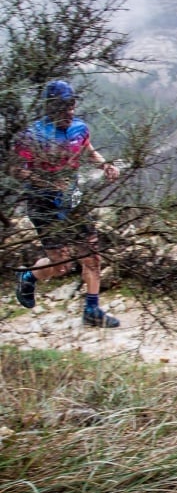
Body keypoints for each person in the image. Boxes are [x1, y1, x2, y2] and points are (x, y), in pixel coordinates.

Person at [11, 79, 121, 328]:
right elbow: (15, 169)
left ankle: (92, 310)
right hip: (43, 203)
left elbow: (89, 150)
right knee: (61, 265)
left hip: (72, 199)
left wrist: (105, 165)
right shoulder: (33, 135)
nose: (69, 111)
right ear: (50, 108)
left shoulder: (79, 128)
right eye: (63, 106)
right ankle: (28, 276)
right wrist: (46, 181)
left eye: (72, 105)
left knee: (92, 256)